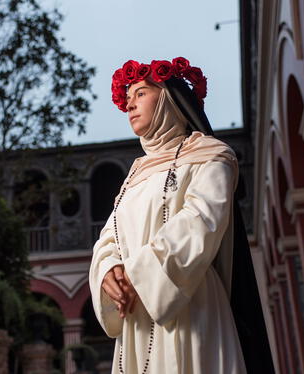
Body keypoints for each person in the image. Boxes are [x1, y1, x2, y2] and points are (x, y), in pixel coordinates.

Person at [88, 58, 274, 374]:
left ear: (170, 99)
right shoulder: (134, 175)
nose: (130, 104)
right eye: (128, 98)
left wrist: (138, 273)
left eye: (141, 93)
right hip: (138, 311)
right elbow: (111, 234)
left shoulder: (211, 156)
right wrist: (109, 270)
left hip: (192, 304)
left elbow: (201, 220)